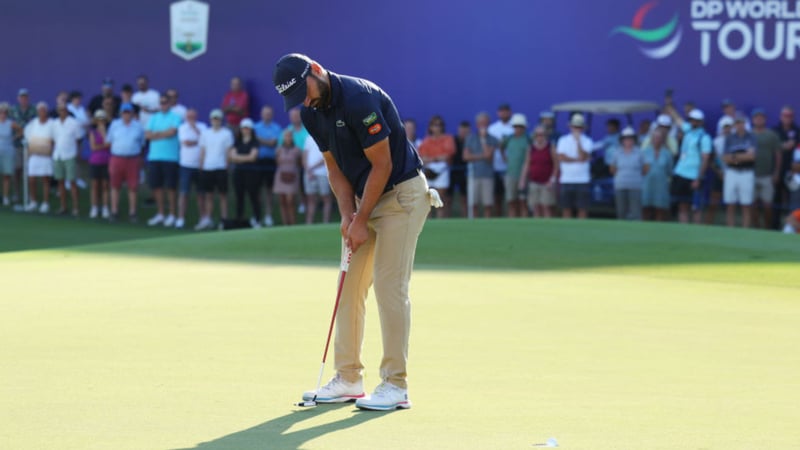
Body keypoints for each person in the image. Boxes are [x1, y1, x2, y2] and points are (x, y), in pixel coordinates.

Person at [274, 53, 439, 411]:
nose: (304, 100)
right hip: (366, 198)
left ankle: (396, 385)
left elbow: (383, 164)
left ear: (317, 71)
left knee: (388, 285)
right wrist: (348, 215)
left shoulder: (360, 98)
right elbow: (334, 169)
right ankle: (348, 378)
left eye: (305, 90)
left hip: (402, 195)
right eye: (297, 97)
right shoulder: (310, 112)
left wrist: (361, 218)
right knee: (348, 286)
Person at [144, 94, 182, 227]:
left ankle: (172, 215)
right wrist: (162, 134)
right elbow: (148, 135)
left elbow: (172, 132)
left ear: (170, 104)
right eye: (161, 103)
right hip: (154, 157)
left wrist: (157, 134)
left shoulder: (176, 117)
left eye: (165, 102)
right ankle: (160, 214)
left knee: (171, 188)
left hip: (171, 157)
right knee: (157, 187)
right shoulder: (154, 118)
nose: (163, 105)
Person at [672, 109, 712, 224]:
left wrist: (698, 178)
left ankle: (696, 233)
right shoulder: (688, 131)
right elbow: (678, 120)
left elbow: (705, 159)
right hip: (681, 173)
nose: (693, 122)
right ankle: (684, 232)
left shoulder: (704, 137)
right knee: (682, 205)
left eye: (696, 120)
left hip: (694, 176)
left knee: (696, 207)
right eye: (691, 120)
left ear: (700, 122)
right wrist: (670, 105)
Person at [196, 109, 233, 231]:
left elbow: (228, 152)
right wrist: (201, 166)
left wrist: (227, 166)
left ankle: (224, 220)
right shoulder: (205, 133)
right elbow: (202, 151)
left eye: (217, 118)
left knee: (223, 196)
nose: (215, 120)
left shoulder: (226, 133)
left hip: (221, 167)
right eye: (213, 118)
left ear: (221, 120)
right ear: (211, 119)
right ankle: (208, 220)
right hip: (207, 168)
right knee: (208, 195)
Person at [107, 103, 145, 222]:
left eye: (128, 112)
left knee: (133, 187)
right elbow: (109, 140)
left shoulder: (138, 126)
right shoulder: (115, 125)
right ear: (121, 113)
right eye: (124, 112)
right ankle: (114, 211)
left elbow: (142, 143)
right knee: (115, 186)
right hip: (117, 158)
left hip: (133, 159)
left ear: (133, 114)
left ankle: (133, 213)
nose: (126, 115)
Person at [556, 113, 594, 219]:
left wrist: (578, 142)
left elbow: (583, 156)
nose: (577, 129)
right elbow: (561, 157)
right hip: (566, 179)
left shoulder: (587, 141)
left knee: (582, 208)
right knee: (566, 208)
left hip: (582, 180)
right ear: (570, 127)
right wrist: (576, 159)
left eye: (579, 127)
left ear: (582, 128)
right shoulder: (563, 140)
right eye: (575, 126)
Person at [721, 114, 756, 228]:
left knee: (746, 204)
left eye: (741, 123)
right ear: (734, 125)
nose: (739, 125)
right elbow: (725, 158)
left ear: (745, 124)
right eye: (737, 123)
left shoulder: (751, 137)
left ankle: (745, 230)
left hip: (747, 172)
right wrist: (742, 156)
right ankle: (730, 229)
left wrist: (734, 157)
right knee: (730, 203)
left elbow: (752, 157)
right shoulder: (730, 138)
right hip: (732, 172)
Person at [417, 115, 455, 218]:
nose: (437, 127)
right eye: (434, 125)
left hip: (442, 169)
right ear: (430, 127)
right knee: (428, 198)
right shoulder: (426, 141)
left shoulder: (448, 139)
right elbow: (422, 157)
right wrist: (436, 158)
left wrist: (432, 158)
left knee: (441, 198)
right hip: (429, 169)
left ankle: (442, 221)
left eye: (439, 125)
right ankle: (428, 222)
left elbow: (447, 155)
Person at [750, 108, 782, 229]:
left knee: (768, 205)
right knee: (752, 205)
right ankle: (756, 227)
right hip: (751, 175)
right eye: (756, 117)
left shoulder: (771, 135)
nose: (759, 120)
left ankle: (767, 228)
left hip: (767, 175)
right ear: (753, 120)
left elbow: (778, 154)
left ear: (765, 119)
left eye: (761, 117)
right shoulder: (749, 134)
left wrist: (776, 172)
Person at [228, 118, 262, 227]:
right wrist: (245, 158)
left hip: (252, 174)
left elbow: (253, 157)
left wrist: (238, 158)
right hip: (238, 173)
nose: (245, 130)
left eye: (247, 128)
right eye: (243, 128)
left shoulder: (254, 142)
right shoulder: (237, 142)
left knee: (253, 196)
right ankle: (239, 220)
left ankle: (257, 220)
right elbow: (231, 157)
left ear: (251, 129)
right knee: (239, 197)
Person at [463, 112, 498, 218]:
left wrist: (483, 140)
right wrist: (481, 156)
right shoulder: (470, 138)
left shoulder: (492, 139)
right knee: (474, 204)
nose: (483, 126)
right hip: (473, 175)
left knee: (487, 205)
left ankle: (487, 226)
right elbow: (466, 157)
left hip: (487, 175)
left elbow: (489, 157)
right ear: (477, 125)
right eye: (481, 123)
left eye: (485, 123)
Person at [51, 102, 84, 216]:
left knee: (72, 182)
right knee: (60, 182)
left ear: (67, 111)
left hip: (70, 155)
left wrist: (77, 154)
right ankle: (63, 207)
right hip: (58, 155)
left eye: (64, 110)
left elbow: (79, 140)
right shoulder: (54, 123)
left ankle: (76, 208)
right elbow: (53, 140)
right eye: (60, 110)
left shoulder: (74, 123)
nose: (62, 112)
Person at [518, 125, 557, 218]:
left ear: (545, 135)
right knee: (535, 206)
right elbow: (527, 164)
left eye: (542, 134)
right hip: (534, 182)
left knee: (546, 206)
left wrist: (552, 180)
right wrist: (522, 180)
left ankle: (548, 228)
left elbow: (556, 165)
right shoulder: (531, 148)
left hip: (546, 182)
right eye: (538, 135)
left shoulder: (550, 147)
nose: (540, 137)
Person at [609, 127, 647, 221]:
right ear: (622, 140)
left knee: (635, 212)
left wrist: (636, 175)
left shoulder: (639, 152)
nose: (628, 141)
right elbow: (612, 168)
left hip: (635, 185)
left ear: (634, 140)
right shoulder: (617, 152)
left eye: (630, 138)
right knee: (621, 211)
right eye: (626, 139)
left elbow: (646, 168)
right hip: (620, 185)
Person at [23, 102, 55, 213]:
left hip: (46, 156)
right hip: (34, 156)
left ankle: (45, 203)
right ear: (37, 112)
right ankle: (33, 202)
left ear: (46, 111)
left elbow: (54, 138)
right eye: (40, 110)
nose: (42, 112)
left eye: (44, 110)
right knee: (31, 179)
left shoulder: (52, 123)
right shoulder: (33, 123)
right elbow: (27, 136)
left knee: (45, 179)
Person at [254, 105, 281, 226]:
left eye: (269, 113)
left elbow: (273, 143)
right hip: (258, 162)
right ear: (261, 114)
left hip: (271, 162)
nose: (267, 115)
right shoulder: (256, 127)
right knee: (258, 190)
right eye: (265, 113)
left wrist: (261, 140)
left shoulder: (276, 128)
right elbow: (256, 141)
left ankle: (268, 215)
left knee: (269, 190)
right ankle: (258, 217)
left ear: (272, 115)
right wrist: (267, 141)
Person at [773, 106, 800, 227]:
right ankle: (774, 226)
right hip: (777, 170)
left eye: (789, 116)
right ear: (781, 116)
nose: (787, 118)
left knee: (793, 201)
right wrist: (782, 146)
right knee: (776, 199)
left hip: (794, 174)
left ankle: (791, 227)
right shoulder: (775, 130)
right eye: (785, 115)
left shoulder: (798, 131)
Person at [501, 113, 531, 217]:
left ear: (524, 128)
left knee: (523, 202)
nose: (517, 129)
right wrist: (505, 158)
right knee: (511, 201)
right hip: (510, 174)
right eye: (516, 126)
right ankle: (511, 224)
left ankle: (524, 224)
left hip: (524, 176)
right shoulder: (509, 139)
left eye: (520, 126)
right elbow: (501, 147)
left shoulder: (528, 139)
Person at [10, 89, 37, 203]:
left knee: (30, 171)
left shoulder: (33, 109)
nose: (23, 99)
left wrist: (22, 130)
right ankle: (17, 193)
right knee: (17, 170)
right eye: (21, 97)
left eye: (25, 97)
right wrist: (21, 130)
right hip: (17, 144)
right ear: (18, 98)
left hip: (30, 144)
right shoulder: (13, 110)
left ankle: (31, 196)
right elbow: (11, 124)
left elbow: (33, 124)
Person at [641, 128, 674, 221]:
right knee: (645, 207)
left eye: (659, 138)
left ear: (662, 139)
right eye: (655, 137)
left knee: (660, 209)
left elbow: (670, 170)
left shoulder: (667, 153)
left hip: (661, 184)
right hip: (646, 184)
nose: (656, 140)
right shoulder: (645, 152)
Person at [488, 103, 513, 216]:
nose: (504, 113)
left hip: (510, 167)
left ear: (510, 112)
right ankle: (499, 218)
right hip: (495, 167)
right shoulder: (492, 128)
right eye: (501, 111)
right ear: (498, 113)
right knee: (497, 196)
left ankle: (512, 218)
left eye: (506, 111)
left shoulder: (514, 127)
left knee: (511, 197)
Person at [302, 132, 332, 224]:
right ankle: (309, 223)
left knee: (326, 198)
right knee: (310, 199)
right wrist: (308, 170)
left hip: (323, 173)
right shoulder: (308, 138)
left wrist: (311, 168)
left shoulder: (325, 137)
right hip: (309, 173)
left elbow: (327, 156)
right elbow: (304, 156)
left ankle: (326, 222)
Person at [273, 130, 302, 225]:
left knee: (290, 201)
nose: (288, 138)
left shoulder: (297, 150)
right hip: (280, 176)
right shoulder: (279, 149)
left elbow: (299, 163)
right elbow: (277, 161)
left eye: (289, 136)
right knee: (282, 201)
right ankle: (285, 223)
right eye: (286, 136)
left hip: (293, 176)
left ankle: (293, 222)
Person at [87, 110, 111, 219]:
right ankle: (94, 207)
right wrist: (104, 146)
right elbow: (93, 147)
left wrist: (104, 133)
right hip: (95, 161)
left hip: (107, 161)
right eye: (99, 120)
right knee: (95, 185)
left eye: (103, 120)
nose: (101, 122)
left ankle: (105, 208)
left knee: (105, 185)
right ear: (96, 121)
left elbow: (109, 144)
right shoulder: (92, 132)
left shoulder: (109, 132)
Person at [447, 120, 470, 217]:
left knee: (464, 198)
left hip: (465, 172)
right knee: (449, 198)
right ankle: (446, 219)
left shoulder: (471, 141)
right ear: (459, 130)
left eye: (466, 131)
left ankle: (465, 218)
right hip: (452, 171)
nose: (464, 133)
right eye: (462, 130)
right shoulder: (452, 140)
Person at [0, 103, 15, 206]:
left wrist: (14, 138)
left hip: (8, 151)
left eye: (4, 113)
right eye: (1, 113)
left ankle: (5, 197)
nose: (3, 114)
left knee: (6, 175)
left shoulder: (11, 123)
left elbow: (21, 130)